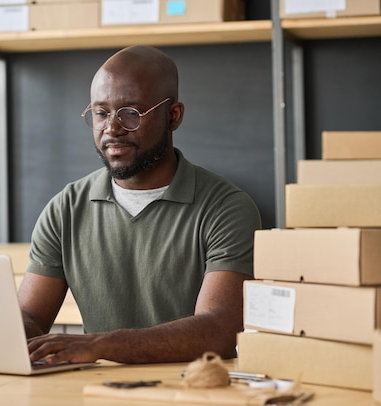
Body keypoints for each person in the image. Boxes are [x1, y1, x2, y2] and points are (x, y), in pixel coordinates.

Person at [18, 45, 261, 365]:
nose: (112, 129)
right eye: (101, 113)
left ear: (173, 116)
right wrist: (8, 331)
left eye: (131, 112)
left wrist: (99, 346)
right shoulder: (66, 208)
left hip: (193, 396)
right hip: (99, 393)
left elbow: (219, 329)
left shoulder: (226, 208)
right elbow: (32, 315)